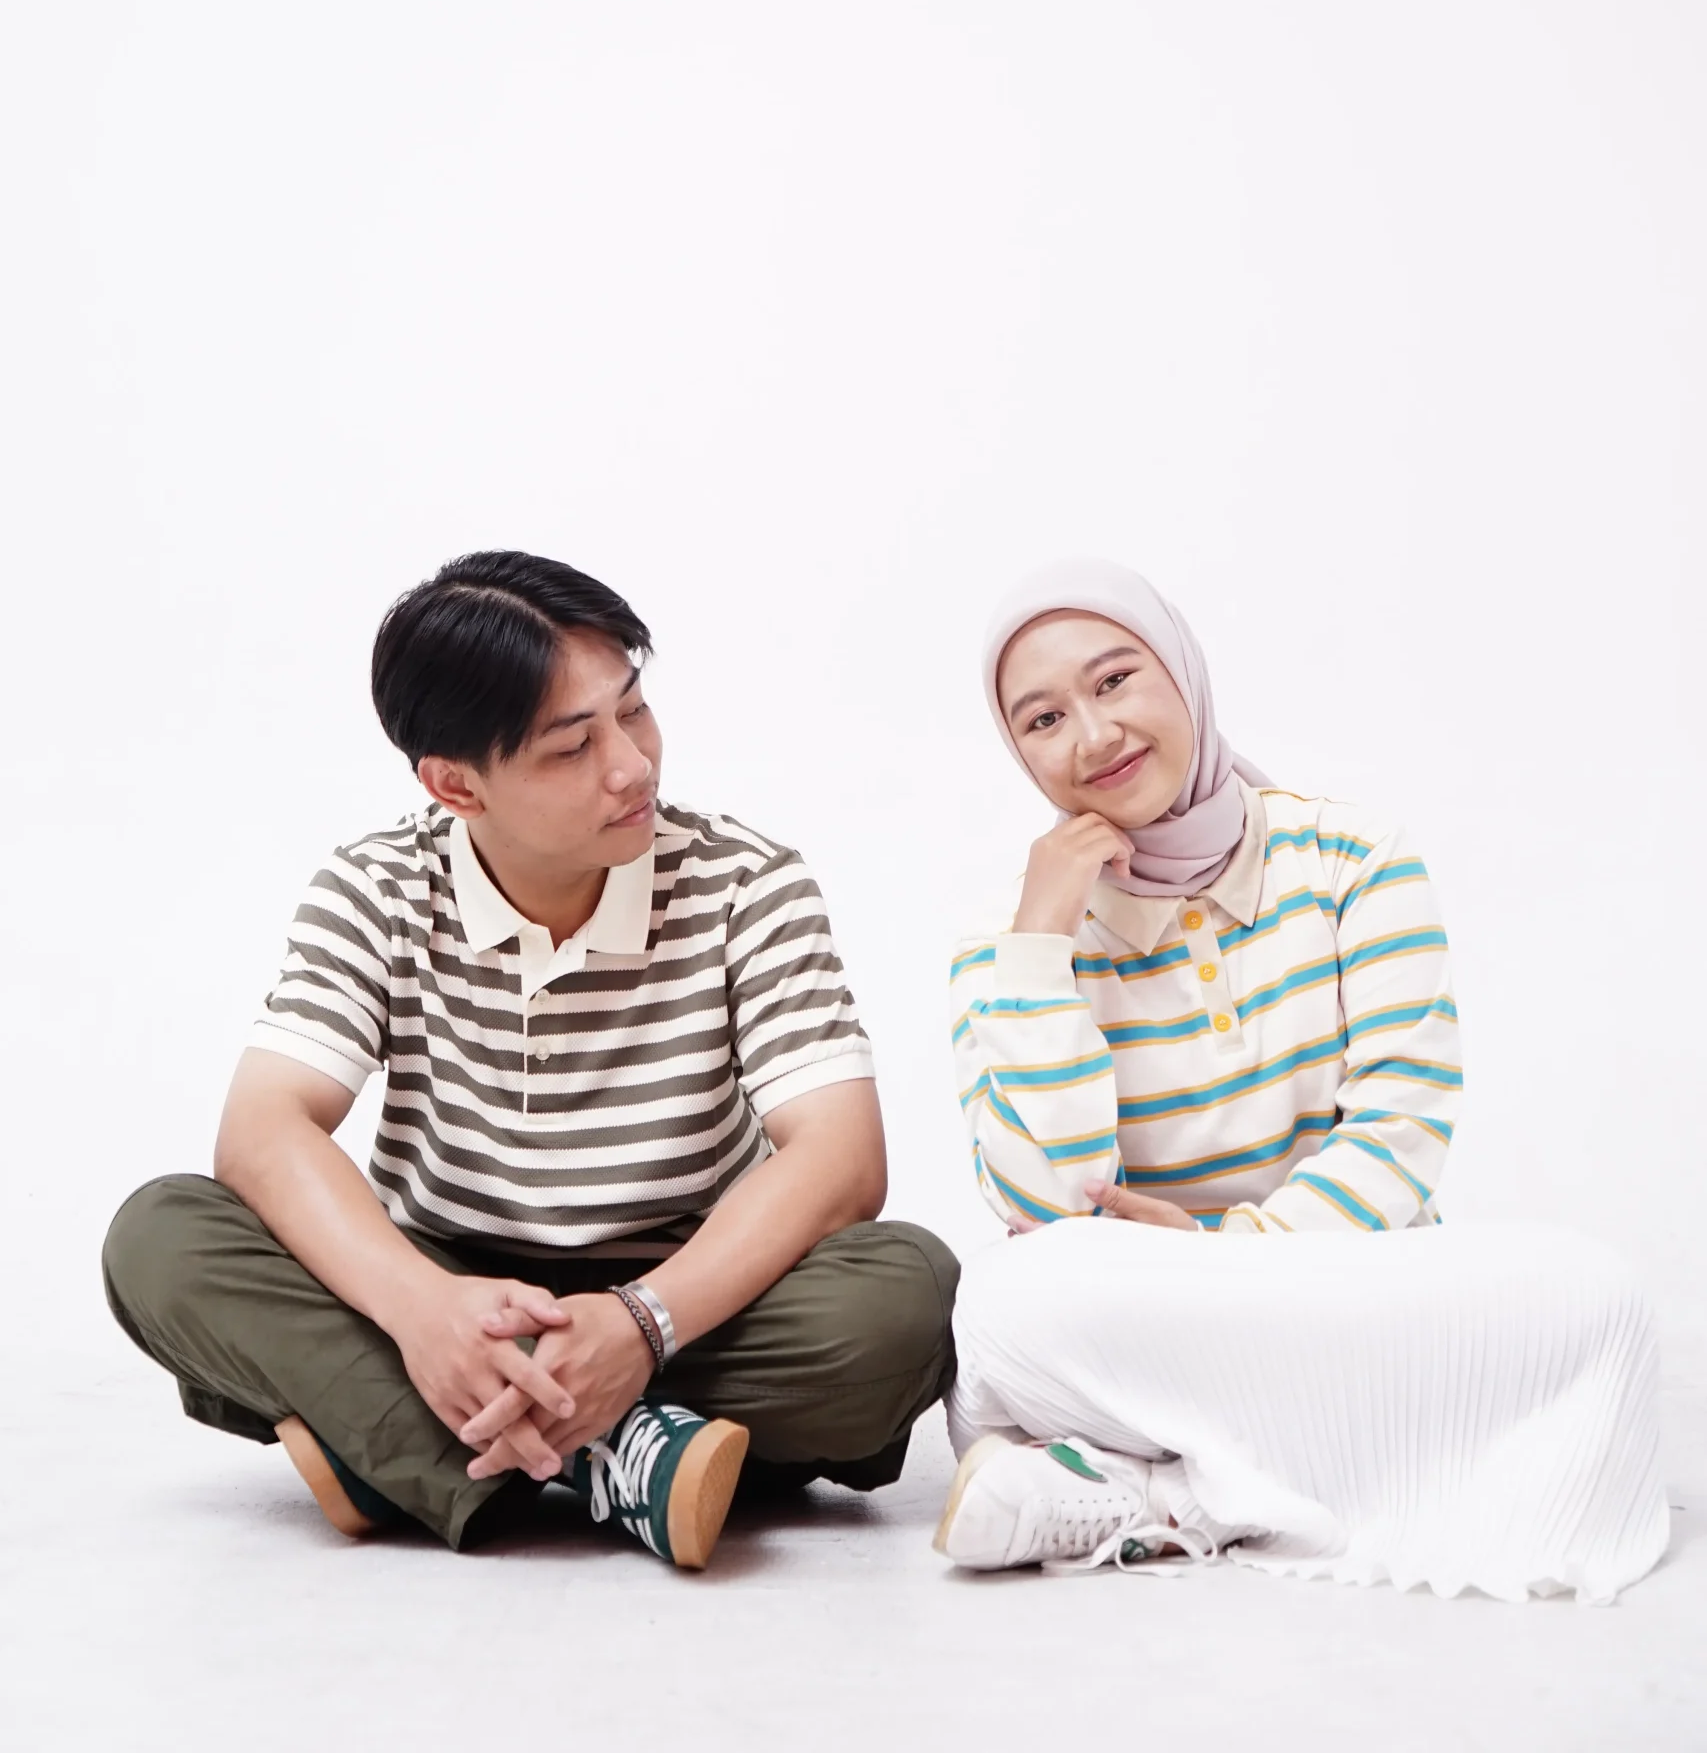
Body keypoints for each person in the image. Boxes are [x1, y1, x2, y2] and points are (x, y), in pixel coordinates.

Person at [104, 550, 957, 1571]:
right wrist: (422, 1312)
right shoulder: (377, 888)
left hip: (691, 1296)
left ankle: (410, 1445)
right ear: (456, 784)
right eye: (572, 745)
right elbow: (262, 1131)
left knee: (904, 1294)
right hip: (446, 1283)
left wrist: (639, 1325)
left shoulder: (745, 883)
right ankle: (627, 1457)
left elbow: (841, 1158)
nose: (632, 764)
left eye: (633, 710)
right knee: (161, 1236)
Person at [934, 559, 1669, 1603]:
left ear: (1182, 672)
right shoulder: (1009, 939)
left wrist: (1230, 1251)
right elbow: (1045, 1205)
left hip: (1347, 1292)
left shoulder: (1350, 857)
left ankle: (1158, 1490)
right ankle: (1345, 1466)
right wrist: (1042, 941)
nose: (1093, 736)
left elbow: (1399, 1132)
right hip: (1156, 1314)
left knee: (1593, 1298)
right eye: (1044, 719)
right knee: (1006, 1302)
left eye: (1114, 680)